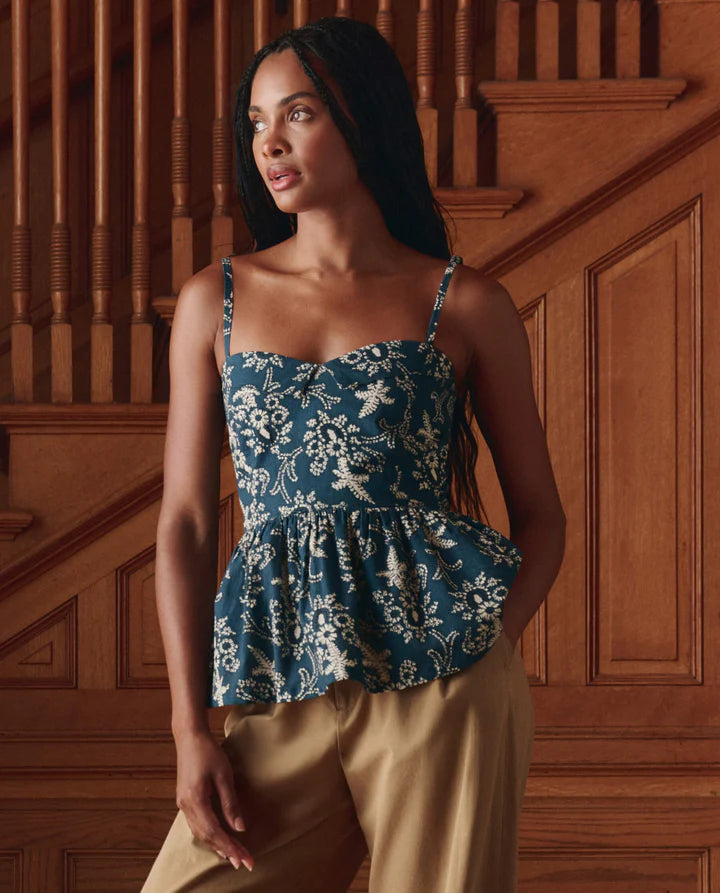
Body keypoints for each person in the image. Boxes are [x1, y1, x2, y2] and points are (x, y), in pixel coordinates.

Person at [141, 15, 565, 893]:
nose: (270, 142)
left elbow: (542, 516)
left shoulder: (466, 303)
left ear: (362, 118)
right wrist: (192, 728)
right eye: (256, 122)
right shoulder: (213, 298)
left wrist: (482, 648)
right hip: (281, 682)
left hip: (443, 681)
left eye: (297, 113)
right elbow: (184, 522)